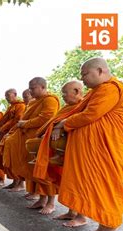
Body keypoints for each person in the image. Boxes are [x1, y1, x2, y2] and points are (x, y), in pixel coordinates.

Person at [55, 58, 123, 231]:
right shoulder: (97, 91)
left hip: (109, 150)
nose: (83, 79)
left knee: (108, 191)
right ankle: (101, 230)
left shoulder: (111, 88)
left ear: (100, 70)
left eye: (85, 74)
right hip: (97, 153)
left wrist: (65, 123)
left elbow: (91, 114)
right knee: (96, 189)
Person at [30, 80, 84, 219]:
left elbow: (81, 121)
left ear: (77, 92)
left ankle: (76, 213)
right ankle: (70, 211)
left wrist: (61, 127)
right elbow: (53, 121)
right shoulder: (67, 107)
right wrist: (49, 130)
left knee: (75, 182)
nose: (63, 96)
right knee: (58, 177)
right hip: (56, 147)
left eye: (65, 93)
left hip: (74, 149)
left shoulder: (83, 105)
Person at [3, 78, 59, 207]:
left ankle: (50, 203)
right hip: (28, 139)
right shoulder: (34, 102)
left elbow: (46, 118)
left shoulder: (50, 100)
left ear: (43, 87)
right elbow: (23, 119)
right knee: (33, 170)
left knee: (44, 170)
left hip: (40, 140)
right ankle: (41, 198)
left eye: (33, 88)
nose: (30, 90)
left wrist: (25, 124)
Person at [0, 89, 26, 187]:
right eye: (5, 95)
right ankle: (13, 181)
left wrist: (5, 128)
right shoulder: (10, 107)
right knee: (6, 159)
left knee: (14, 159)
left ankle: (19, 183)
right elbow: (3, 121)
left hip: (14, 134)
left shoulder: (21, 105)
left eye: (8, 95)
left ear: (15, 94)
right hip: (5, 134)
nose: (6, 97)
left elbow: (17, 120)